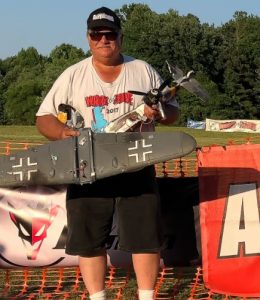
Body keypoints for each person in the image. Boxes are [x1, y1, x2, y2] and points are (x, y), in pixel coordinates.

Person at [35, 7, 179, 300]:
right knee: (88, 242)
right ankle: (97, 297)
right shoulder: (73, 75)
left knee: (145, 240)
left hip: (137, 164)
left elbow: (173, 113)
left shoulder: (143, 69)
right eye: (96, 34)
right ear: (88, 38)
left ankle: (147, 296)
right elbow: (44, 118)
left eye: (110, 34)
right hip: (88, 167)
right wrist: (64, 134)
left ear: (120, 38)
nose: (103, 40)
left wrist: (159, 110)